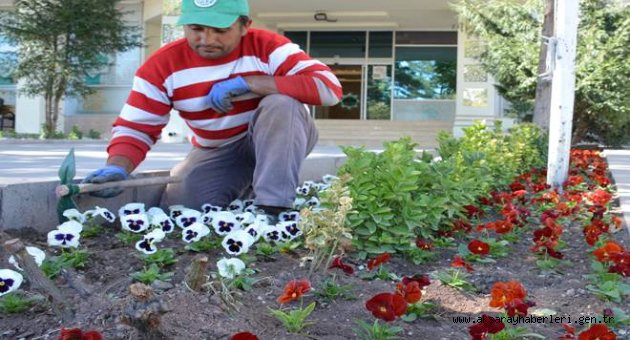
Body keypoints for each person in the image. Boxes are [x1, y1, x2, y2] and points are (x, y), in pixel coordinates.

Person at [83, 0, 342, 217]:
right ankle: (249, 186)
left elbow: (329, 89)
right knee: (181, 210)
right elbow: (136, 127)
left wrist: (251, 83)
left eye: (220, 30)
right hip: (217, 149)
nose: (206, 39)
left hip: (276, 136)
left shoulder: (268, 47)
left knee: (281, 104)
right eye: (196, 28)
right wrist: (118, 167)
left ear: (244, 26)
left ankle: (273, 210)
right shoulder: (162, 66)